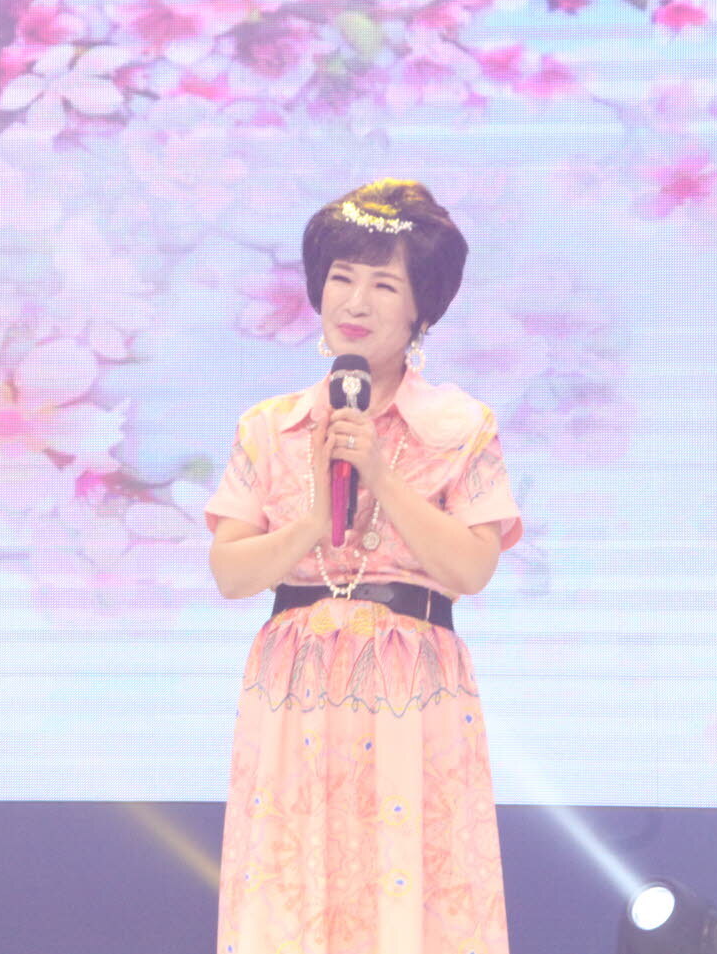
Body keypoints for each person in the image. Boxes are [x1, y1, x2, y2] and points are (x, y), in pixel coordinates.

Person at [206, 179, 523, 954]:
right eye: (341, 277)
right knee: (291, 886)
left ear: (421, 310)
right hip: (295, 691)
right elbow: (231, 572)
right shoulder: (269, 427)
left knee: (410, 887)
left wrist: (380, 472)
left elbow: (472, 567)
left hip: (411, 691)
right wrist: (312, 523)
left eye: (384, 284)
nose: (355, 300)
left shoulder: (461, 427)